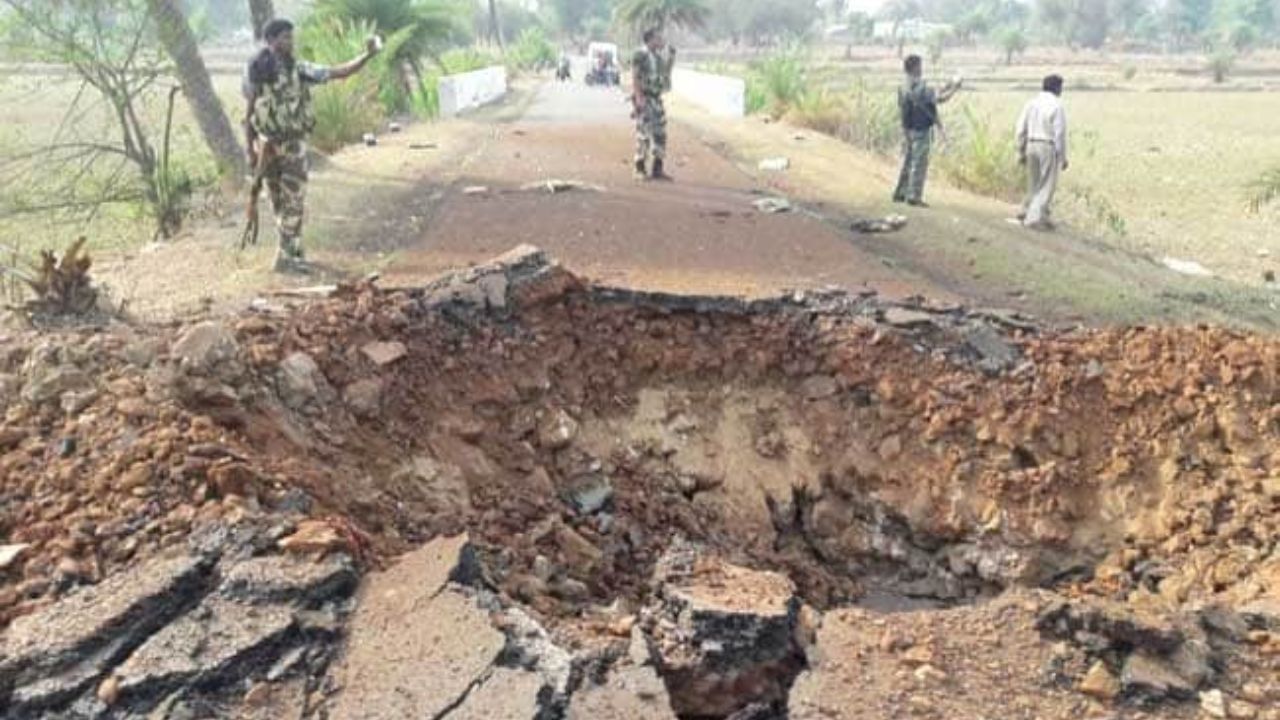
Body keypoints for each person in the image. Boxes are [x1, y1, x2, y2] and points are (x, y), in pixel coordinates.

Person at [243, 18, 380, 273]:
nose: (290, 42)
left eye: (291, 37)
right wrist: (249, 148)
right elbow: (250, 111)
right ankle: (287, 257)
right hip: (279, 146)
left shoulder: (285, 69)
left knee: (285, 203)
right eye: (284, 38)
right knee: (287, 202)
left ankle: (292, 251)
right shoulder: (264, 70)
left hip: (275, 144)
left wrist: (366, 56)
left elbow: (339, 72)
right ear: (271, 41)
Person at [892, 55, 960, 207]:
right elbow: (939, 99)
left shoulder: (902, 87)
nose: (922, 68)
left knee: (908, 161)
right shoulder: (923, 87)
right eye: (920, 65)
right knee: (919, 163)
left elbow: (903, 109)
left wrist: (949, 84)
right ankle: (914, 196)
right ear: (915, 67)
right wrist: (954, 88)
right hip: (921, 130)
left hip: (908, 129)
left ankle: (901, 192)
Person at [1016, 75, 1068, 231]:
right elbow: (1060, 134)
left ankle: (1027, 211)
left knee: (1033, 183)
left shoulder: (1031, 103)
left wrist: (1020, 149)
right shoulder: (1057, 106)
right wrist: (1062, 156)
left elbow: (1020, 128)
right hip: (1047, 145)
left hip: (1031, 143)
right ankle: (1034, 219)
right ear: (1057, 88)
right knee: (1046, 185)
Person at [632, 29, 676, 181]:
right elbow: (635, 76)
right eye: (658, 38)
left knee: (660, 134)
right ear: (650, 39)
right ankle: (639, 168)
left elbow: (665, 74)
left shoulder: (657, 58)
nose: (661, 40)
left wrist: (671, 58)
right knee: (643, 134)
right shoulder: (640, 55)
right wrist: (638, 97)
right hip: (646, 97)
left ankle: (658, 168)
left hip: (656, 99)